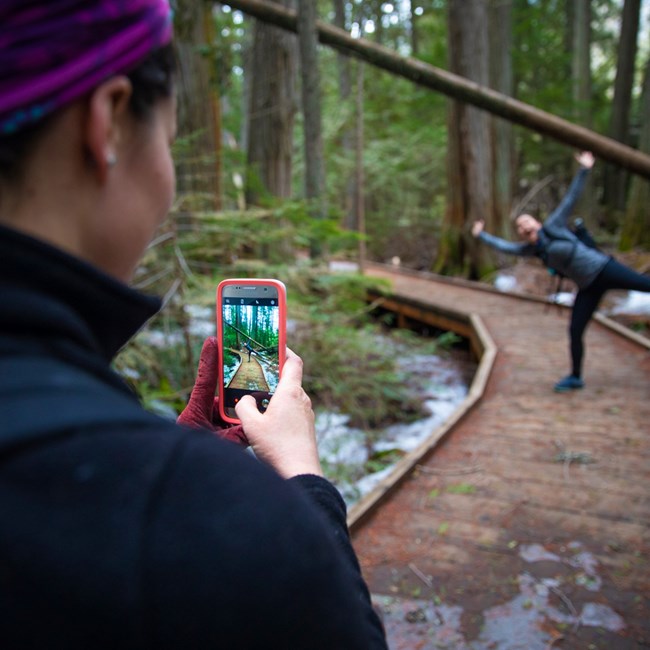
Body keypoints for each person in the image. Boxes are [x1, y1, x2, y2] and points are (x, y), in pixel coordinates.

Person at [0, 2, 387, 648]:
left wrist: (157, 445)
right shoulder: (216, 520)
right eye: (170, 140)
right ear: (110, 121)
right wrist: (302, 481)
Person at [472, 151, 650, 392]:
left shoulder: (554, 225)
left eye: (527, 221)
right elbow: (505, 247)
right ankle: (575, 377)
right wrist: (481, 235)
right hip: (587, 287)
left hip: (604, 268)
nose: (524, 226)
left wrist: (585, 169)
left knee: (644, 285)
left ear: (536, 222)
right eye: (520, 226)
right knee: (575, 330)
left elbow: (570, 199)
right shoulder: (533, 250)